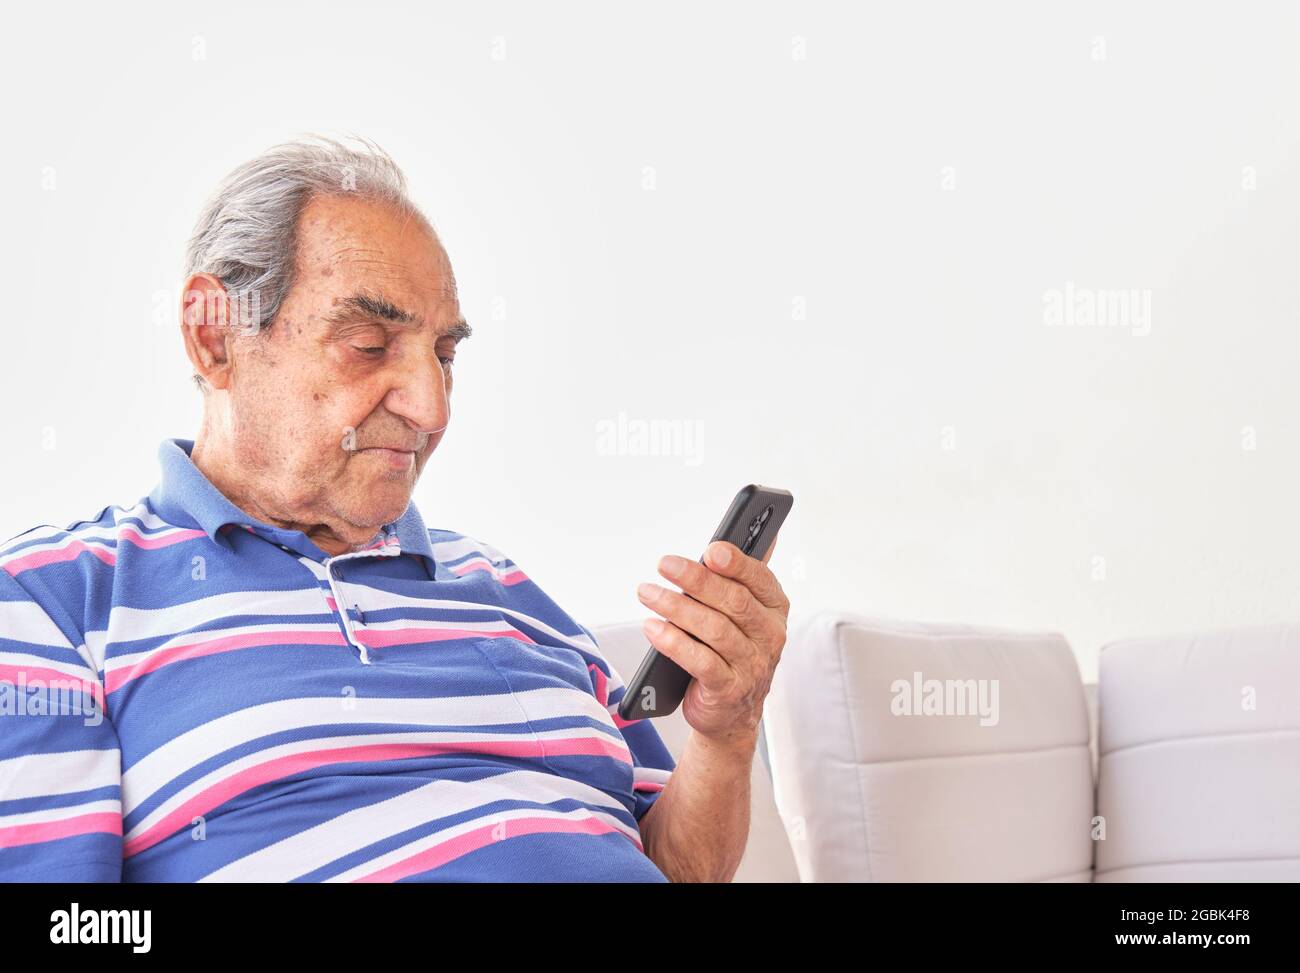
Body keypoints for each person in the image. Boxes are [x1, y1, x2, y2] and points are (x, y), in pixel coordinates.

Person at [0, 136, 791, 882]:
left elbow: (672, 863)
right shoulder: (53, 600)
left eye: (445, 355)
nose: (431, 409)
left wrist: (726, 735)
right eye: (370, 344)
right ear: (215, 338)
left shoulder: (506, 589)